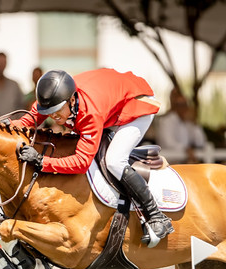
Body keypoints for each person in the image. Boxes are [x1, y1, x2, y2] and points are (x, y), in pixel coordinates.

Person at [15, 68, 172, 246]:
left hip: (136, 103)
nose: (52, 116)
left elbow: (82, 162)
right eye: (49, 111)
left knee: (114, 160)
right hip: (112, 96)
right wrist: (3, 126)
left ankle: (156, 216)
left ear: (72, 99)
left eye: (57, 110)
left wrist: (42, 161)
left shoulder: (90, 112)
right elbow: (27, 120)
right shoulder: (57, 97)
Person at [155, 89, 206, 162]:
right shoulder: (166, 121)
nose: (183, 108)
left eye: (185, 104)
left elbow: (200, 142)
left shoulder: (189, 123)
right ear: (174, 106)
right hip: (169, 163)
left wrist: (195, 123)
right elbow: (168, 143)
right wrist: (185, 149)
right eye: (180, 105)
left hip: (186, 163)